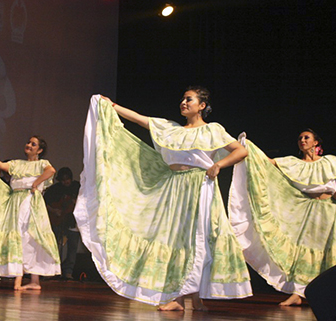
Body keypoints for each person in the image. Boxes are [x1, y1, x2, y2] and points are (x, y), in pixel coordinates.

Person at [74, 87, 252, 311]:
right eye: (183, 99)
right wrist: (113, 107)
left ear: (202, 106)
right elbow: (141, 120)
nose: (183, 102)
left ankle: (193, 297)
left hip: (199, 185)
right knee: (176, 240)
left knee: (196, 239)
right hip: (175, 186)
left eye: (189, 99)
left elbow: (240, 151)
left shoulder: (212, 130)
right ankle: (179, 297)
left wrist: (218, 165)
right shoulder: (171, 128)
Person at [228, 129, 336, 306]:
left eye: (306, 137)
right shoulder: (293, 163)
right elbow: (265, 163)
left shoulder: (331, 161)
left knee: (331, 252)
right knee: (305, 253)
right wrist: (248, 147)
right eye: (300, 138)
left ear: (316, 143)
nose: (302, 140)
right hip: (308, 210)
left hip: (331, 210)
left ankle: (332, 293)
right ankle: (299, 293)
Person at [0, 136, 60, 290]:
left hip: (31, 202)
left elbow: (51, 171)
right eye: (28, 142)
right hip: (16, 202)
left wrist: (35, 183)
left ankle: (34, 281)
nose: (28, 145)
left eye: (33, 144)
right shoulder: (17, 164)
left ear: (40, 150)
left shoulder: (42, 164)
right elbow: (1, 165)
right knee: (18, 236)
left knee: (32, 237)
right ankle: (19, 280)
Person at [44, 167, 81, 281]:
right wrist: (54, 210)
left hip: (72, 222)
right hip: (58, 221)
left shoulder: (77, 187)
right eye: (63, 180)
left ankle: (68, 272)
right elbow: (44, 202)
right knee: (54, 246)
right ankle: (53, 270)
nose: (66, 182)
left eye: (67, 179)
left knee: (73, 247)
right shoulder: (54, 189)